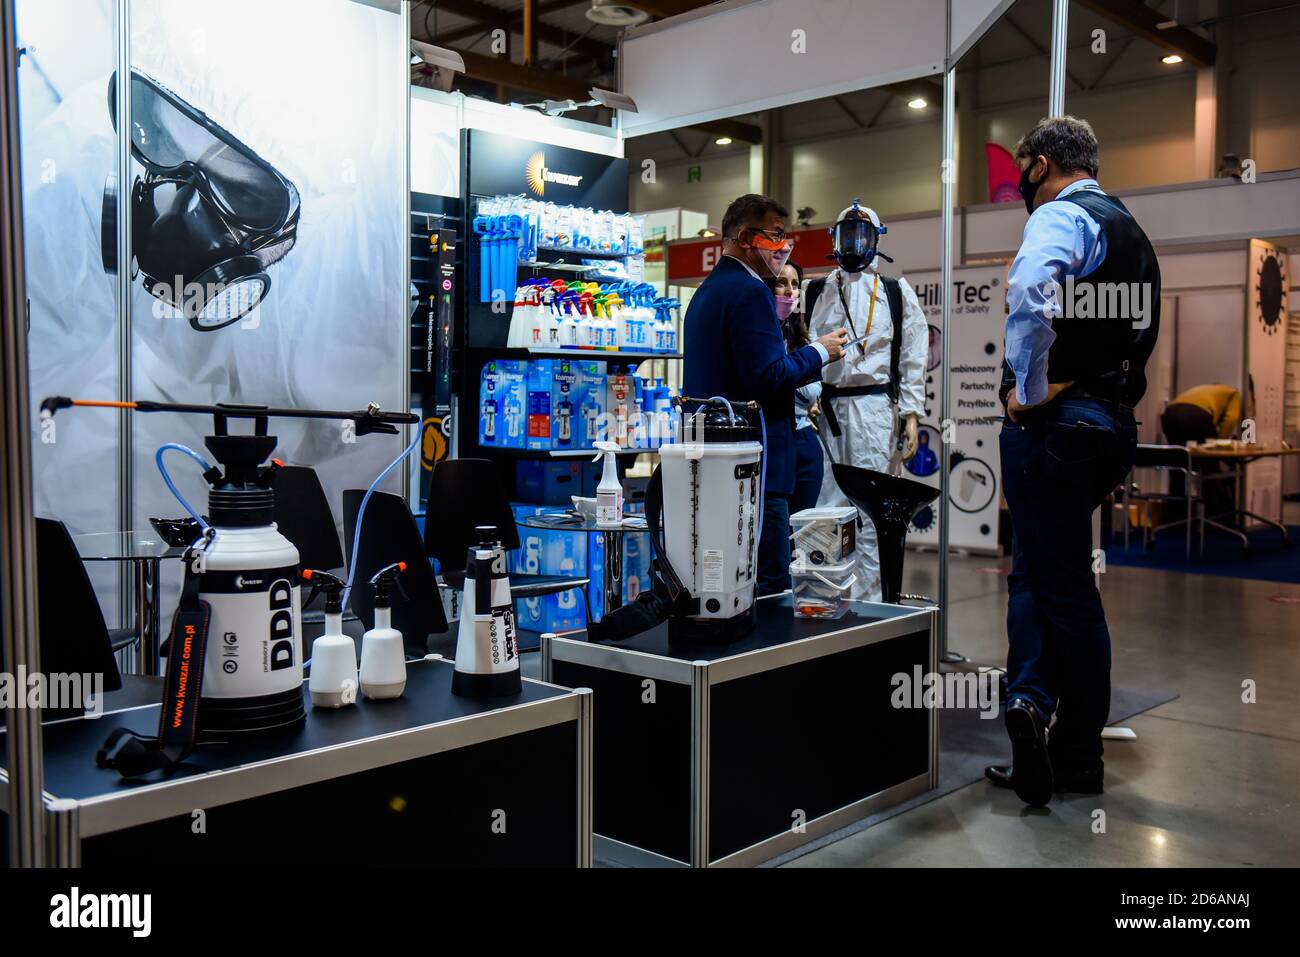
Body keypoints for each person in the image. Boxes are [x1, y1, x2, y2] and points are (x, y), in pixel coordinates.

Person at [986, 115, 1160, 807]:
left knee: (1055, 588)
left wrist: (1027, 390)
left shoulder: (1064, 216)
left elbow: (1029, 292)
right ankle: (1032, 708)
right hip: (1112, 425)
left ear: (1042, 163)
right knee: (1042, 569)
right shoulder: (1130, 229)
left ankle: (1073, 747)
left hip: (1059, 426)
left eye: (1026, 163)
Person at [682, 194, 849, 595]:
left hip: (715, 464)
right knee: (771, 587)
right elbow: (768, 377)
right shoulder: (751, 290)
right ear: (744, 237)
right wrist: (818, 352)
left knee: (723, 585)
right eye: (775, 236)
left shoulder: (705, 293)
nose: (783, 246)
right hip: (756, 472)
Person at [806, 201, 928, 600]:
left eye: (862, 235)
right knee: (825, 505)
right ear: (835, 240)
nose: (854, 243)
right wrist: (806, 398)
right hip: (826, 411)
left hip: (875, 411)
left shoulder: (895, 291)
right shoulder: (818, 290)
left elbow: (913, 354)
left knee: (872, 510)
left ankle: (871, 605)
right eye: (847, 235)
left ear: (877, 240)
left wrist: (911, 412)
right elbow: (806, 353)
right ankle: (822, 598)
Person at [773, 260, 825, 515]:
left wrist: (811, 404)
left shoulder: (801, 339)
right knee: (775, 537)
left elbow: (811, 390)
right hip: (774, 446)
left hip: (806, 444)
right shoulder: (761, 337)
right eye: (781, 283)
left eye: (794, 285)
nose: (789, 291)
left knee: (801, 536)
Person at [1160, 382, 1248, 518]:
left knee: (1179, 464)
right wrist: (1219, 445)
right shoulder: (1233, 393)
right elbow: (1231, 419)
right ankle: (1210, 518)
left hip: (1170, 414)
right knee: (1209, 467)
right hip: (1197, 415)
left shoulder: (1203, 389)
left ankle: (1175, 517)